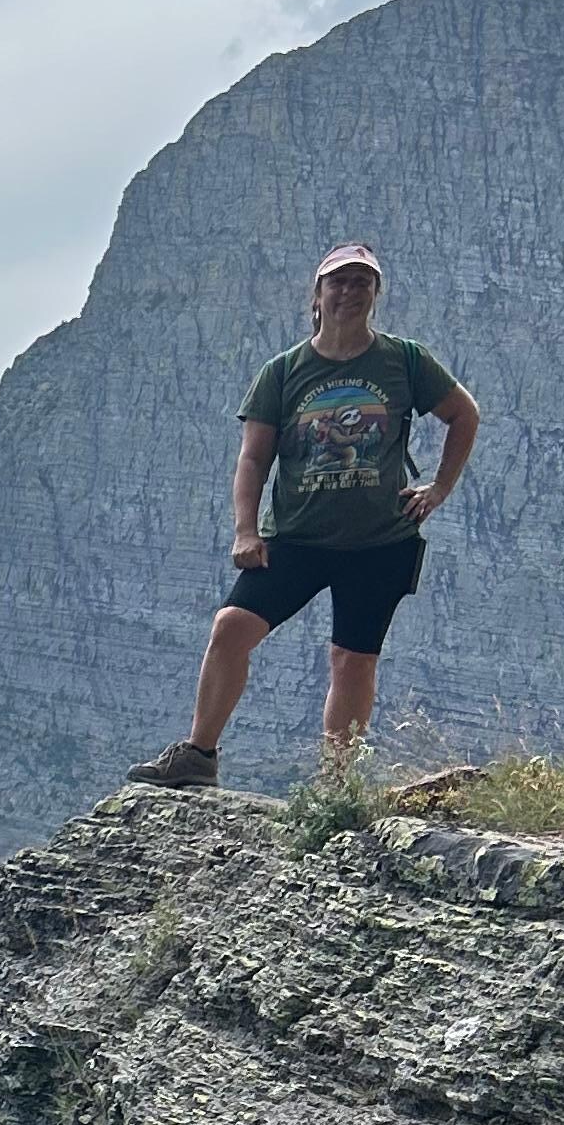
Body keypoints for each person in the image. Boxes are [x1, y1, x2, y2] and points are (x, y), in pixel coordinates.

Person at [128, 243, 481, 789]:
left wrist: (440, 487)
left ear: (376, 294)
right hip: (297, 537)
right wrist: (246, 529)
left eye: (362, 282)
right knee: (231, 627)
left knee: (353, 659)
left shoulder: (405, 360)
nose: (350, 291)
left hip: (380, 541)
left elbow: (464, 413)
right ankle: (200, 755)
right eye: (338, 282)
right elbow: (253, 457)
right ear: (317, 297)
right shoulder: (285, 372)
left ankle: (335, 787)